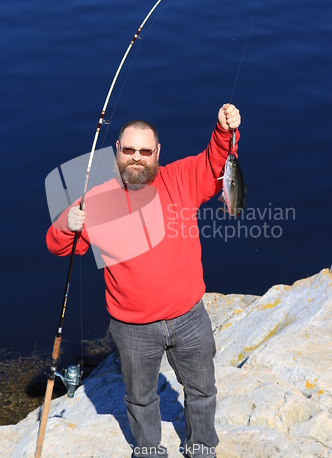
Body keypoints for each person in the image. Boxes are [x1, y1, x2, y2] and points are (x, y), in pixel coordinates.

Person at [46, 103, 241, 458]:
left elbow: (216, 162)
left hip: (190, 318)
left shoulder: (180, 179)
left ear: (157, 153)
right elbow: (59, 247)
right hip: (132, 327)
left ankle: (201, 446)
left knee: (202, 389)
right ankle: (148, 449)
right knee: (139, 397)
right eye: (130, 150)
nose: (137, 158)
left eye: (145, 151)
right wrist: (65, 224)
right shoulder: (96, 201)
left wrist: (225, 129)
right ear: (117, 151)